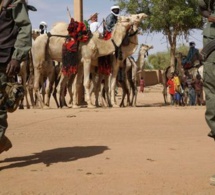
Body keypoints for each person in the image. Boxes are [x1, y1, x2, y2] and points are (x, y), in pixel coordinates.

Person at [0, 0, 32, 154]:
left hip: (3, 60)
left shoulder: (14, 3)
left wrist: (17, 57)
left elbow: (25, 28)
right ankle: (2, 142)